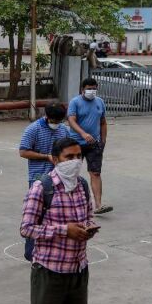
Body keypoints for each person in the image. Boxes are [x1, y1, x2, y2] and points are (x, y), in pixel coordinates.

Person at [20, 138, 98, 304]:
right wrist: (64, 230)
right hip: (50, 269)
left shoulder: (82, 186)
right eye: (68, 157)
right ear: (55, 159)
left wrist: (87, 230)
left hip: (78, 267)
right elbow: (27, 229)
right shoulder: (42, 188)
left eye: (78, 156)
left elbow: (88, 217)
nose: (75, 162)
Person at [67, 78, 111, 214]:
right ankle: (70, 204)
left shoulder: (100, 102)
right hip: (76, 144)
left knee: (95, 173)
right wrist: (83, 133)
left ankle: (98, 204)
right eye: (89, 88)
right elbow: (71, 121)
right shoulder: (75, 102)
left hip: (94, 144)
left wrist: (103, 141)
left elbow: (103, 122)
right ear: (82, 89)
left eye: (94, 88)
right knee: (72, 173)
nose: (92, 91)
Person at [19, 103, 70, 186]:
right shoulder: (33, 129)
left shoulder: (64, 129)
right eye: (53, 121)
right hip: (38, 177)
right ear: (46, 115)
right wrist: (46, 156)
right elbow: (23, 152)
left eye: (59, 121)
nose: (56, 124)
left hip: (60, 176)